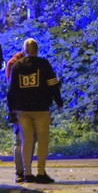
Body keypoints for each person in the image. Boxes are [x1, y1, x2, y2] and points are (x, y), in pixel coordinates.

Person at [7, 38, 63, 183]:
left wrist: (11, 109)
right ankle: (41, 172)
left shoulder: (17, 67)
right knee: (43, 140)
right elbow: (53, 84)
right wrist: (58, 101)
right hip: (41, 109)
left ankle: (27, 173)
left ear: (24, 50)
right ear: (37, 50)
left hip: (22, 109)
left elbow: (11, 90)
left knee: (27, 141)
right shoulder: (44, 64)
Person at [5, 48, 26, 183]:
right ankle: (22, 171)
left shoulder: (12, 64)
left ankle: (21, 171)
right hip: (23, 107)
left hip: (17, 107)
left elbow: (10, 90)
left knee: (20, 140)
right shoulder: (16, 65)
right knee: (22, 141)